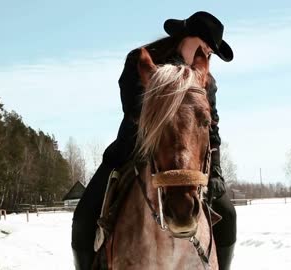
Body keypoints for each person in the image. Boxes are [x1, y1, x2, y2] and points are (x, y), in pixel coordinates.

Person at [72, 11, 237, 270]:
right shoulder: (141, 60)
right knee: (83, 216)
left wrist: (215, 171)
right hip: (133, 150)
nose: (207, 54)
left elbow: (211, 127)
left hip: (191, 162)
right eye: (206, 47)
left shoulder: (206, 81)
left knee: (228, 214)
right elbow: (132, 109)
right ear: (189, 37)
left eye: (210, 52)